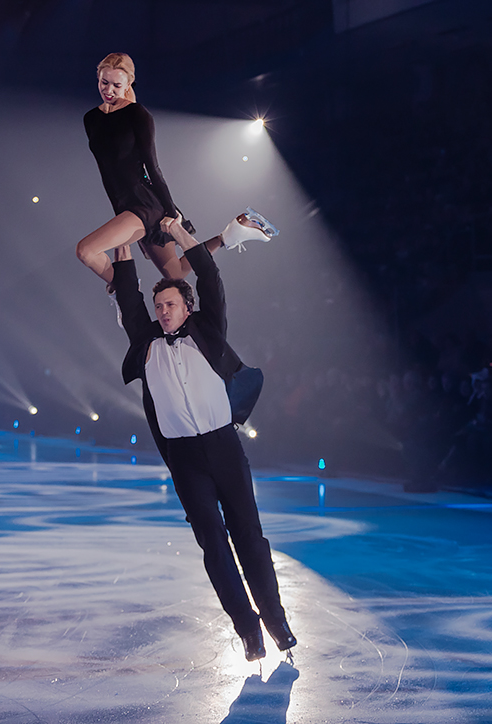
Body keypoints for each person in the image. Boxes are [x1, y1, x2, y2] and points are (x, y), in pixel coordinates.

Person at [112, 212, 295, 662]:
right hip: (186, 458)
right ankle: (248, 631)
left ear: (186, 306)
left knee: (249, 537)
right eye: (159, 307)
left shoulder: (208, 331)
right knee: (214, 545)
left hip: (224, 448)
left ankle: (276, 622)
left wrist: (177, 232)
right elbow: (129, 294)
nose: (163, 311)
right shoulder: (147, 341)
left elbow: (210, 277)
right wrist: (120, 247)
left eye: (170, 305)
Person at [76, 53, 269, 284]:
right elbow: (107, 172)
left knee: (86, 251)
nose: (109, 90)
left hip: (145, 205)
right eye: (104, 82)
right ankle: (229, 235)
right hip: (124, 207)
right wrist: (120, 216)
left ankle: (122, 293)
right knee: (175, 273)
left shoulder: (138, 115)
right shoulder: (91, 119)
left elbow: (152, 167)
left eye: (117, 85)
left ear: (128, 83)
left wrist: (170, 212)